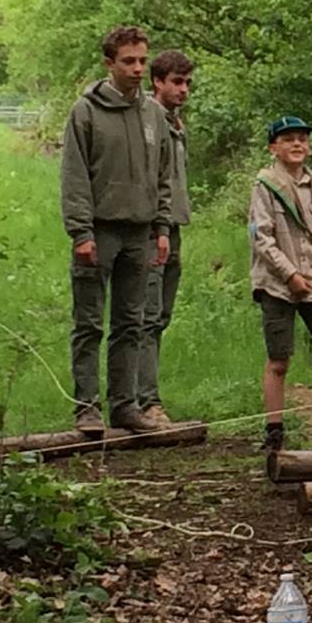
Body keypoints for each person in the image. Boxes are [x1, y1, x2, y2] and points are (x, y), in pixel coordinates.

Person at [59, 25, 174, 435]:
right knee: (89, 322)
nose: (139, 68)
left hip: (140, 233)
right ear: (109, 63)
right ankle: (86, 407)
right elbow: (74, 177)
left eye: (143, 60)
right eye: (129, 61)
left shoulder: (154, 114)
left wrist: (162, 227)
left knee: (132, 323)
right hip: (99, 231)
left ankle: (125, 406)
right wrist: (81, 232)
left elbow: (164, 176)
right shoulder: (86, 112)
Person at [247, 116, 312, 452]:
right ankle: (274, 432)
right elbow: (261, 237)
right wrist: (290, 274)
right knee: (279, 360)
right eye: (289, 139)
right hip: (277, 284)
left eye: (302, 139)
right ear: (273, 147)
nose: (297, 145)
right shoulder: (265, 185)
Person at [139, 49, 194, 427]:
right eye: (177, 81)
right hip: (150, 229)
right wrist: (157, 229)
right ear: (157, 81)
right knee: (146, 314)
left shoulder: (175, 123)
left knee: (161, 315)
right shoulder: (146, 118)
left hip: (172, 227)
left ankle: (142, 395)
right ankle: (146, 402)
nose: (184, 89)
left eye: (188, 82)